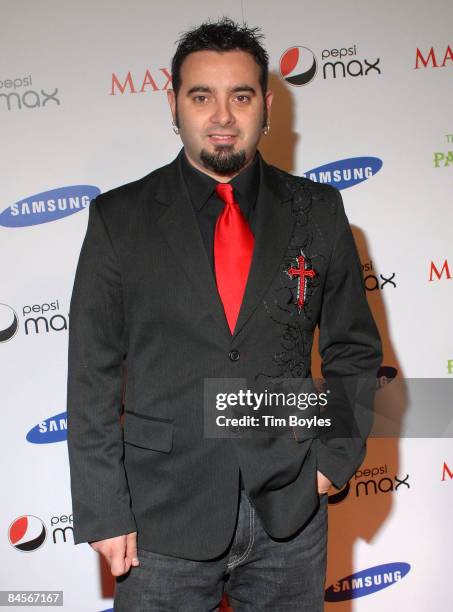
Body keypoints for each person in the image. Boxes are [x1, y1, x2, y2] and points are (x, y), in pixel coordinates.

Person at [66, 17, 382, 611]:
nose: (221, 116)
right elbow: (92, 377)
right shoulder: (120, 219)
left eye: (239, 96)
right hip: (159, 522)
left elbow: (354, 350)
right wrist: (105, 510)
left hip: (290, 514)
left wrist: (332, 463)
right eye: (201, 96)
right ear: (173, 103)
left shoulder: (318, 210)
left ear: (266, 104)